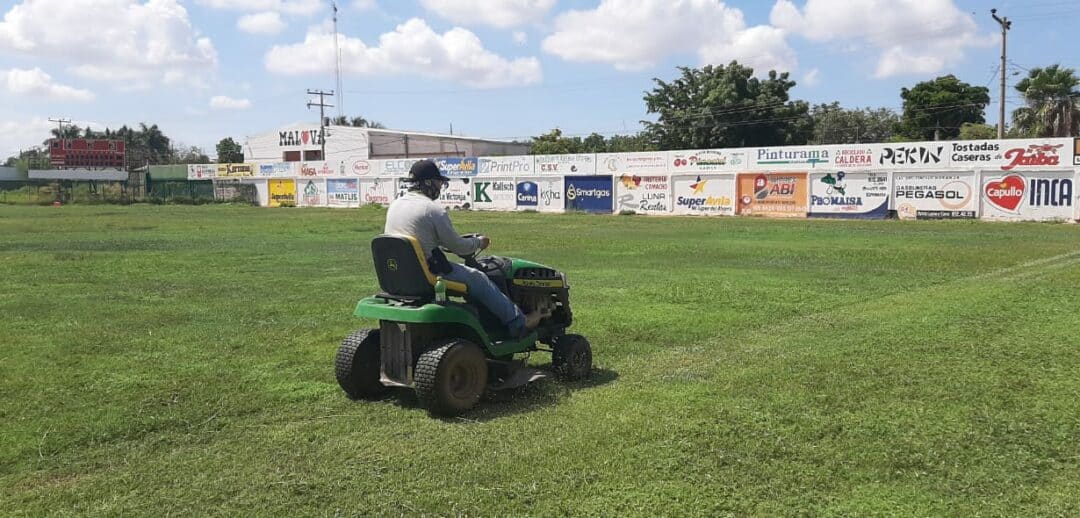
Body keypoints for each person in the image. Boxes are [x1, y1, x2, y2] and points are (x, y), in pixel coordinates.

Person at [384, 159, 544, 336]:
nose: (439, 186)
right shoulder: (432, 210)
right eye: (438, 182)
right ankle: (518, 322)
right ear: (428, 182)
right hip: (427, 274)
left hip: (399, 274)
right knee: (479, 279)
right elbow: (460, 247)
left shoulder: (395, 205)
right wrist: (479, 242)